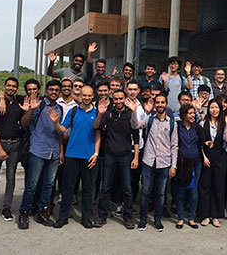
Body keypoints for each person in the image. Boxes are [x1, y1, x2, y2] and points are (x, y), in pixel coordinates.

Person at [50, 86, 101, 229]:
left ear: (93, 96)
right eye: (84, 95)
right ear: (80, 95)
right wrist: (55, 122)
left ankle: (86, 217)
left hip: (88, 156)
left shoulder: (97, 112)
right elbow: (62, 129)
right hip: (72, 155)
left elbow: (98, 134)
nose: (86, 98)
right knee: (68, 188)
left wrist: (96, 153)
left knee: (87, 188)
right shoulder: (73, 111)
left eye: (89, 95)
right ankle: (63, 216)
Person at [17, 80, 64, 229]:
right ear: (47, 90)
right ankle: (24, 213)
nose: (54, 92)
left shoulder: (60, 108)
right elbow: (24, 125)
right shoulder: (38, 105)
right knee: (31, 185)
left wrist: (61, 151)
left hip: (54, 152)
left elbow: (61, 132)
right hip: (38, 150)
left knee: (49, 185)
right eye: (51, 89)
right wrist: (30, 110)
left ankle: (43, 212)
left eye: (57, 90)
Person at [131, 94, 178, 232]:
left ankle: (158, 220)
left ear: (166, 104)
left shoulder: (172, 123)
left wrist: (173, 165)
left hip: (164, 163)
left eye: (162, 102)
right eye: (158, 102)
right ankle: (143, 219)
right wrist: (135, 111)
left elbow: (174, 145)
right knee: (145, 192)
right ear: (155, 104)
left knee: (160, 193)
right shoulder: (149, 119)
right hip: (148, 161)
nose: (160, 105)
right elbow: (135, 125)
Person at [94, 90, 139, 229]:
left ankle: (128, 217)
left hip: (126, 155)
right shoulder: (108, 113)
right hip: (109, 154)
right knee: (106, 186)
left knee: (127, 188)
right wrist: (100, 114)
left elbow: (136, 136)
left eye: (121, 99)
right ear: (113, 99)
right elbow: (96, 127)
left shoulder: (130, 114)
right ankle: (102, 215)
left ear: (125, 99)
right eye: (116, 99)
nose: (118, 101)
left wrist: (136, 156)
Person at [0, 77, 28, 223]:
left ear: (17, 88)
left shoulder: (21, 101)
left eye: (14, 86)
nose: (11, 88)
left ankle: (6, 208)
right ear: (5, 87)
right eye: (8, 86)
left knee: (11, 177)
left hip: (15, 144)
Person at [198, 99, 227, 228]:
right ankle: (205, 215)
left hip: (220, 157)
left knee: (218, 186)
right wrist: (204, 157)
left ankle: (216, 215)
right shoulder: (203, 123)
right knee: (205, 186)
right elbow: (200, 142)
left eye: (217, 108)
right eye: (212, 107)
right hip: (206, 158)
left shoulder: (223, 124)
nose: (214, 110)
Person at [173, 104, 204, 229]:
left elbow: (202, 143)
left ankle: (191, 218)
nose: (193, 115)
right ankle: (180, 218)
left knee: (193, 190)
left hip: (195, 163)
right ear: (184, 115)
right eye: (190, 113)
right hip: (182, 163)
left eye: (194, 113)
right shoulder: (177, 126)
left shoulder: (197, 128)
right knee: (180, 191)